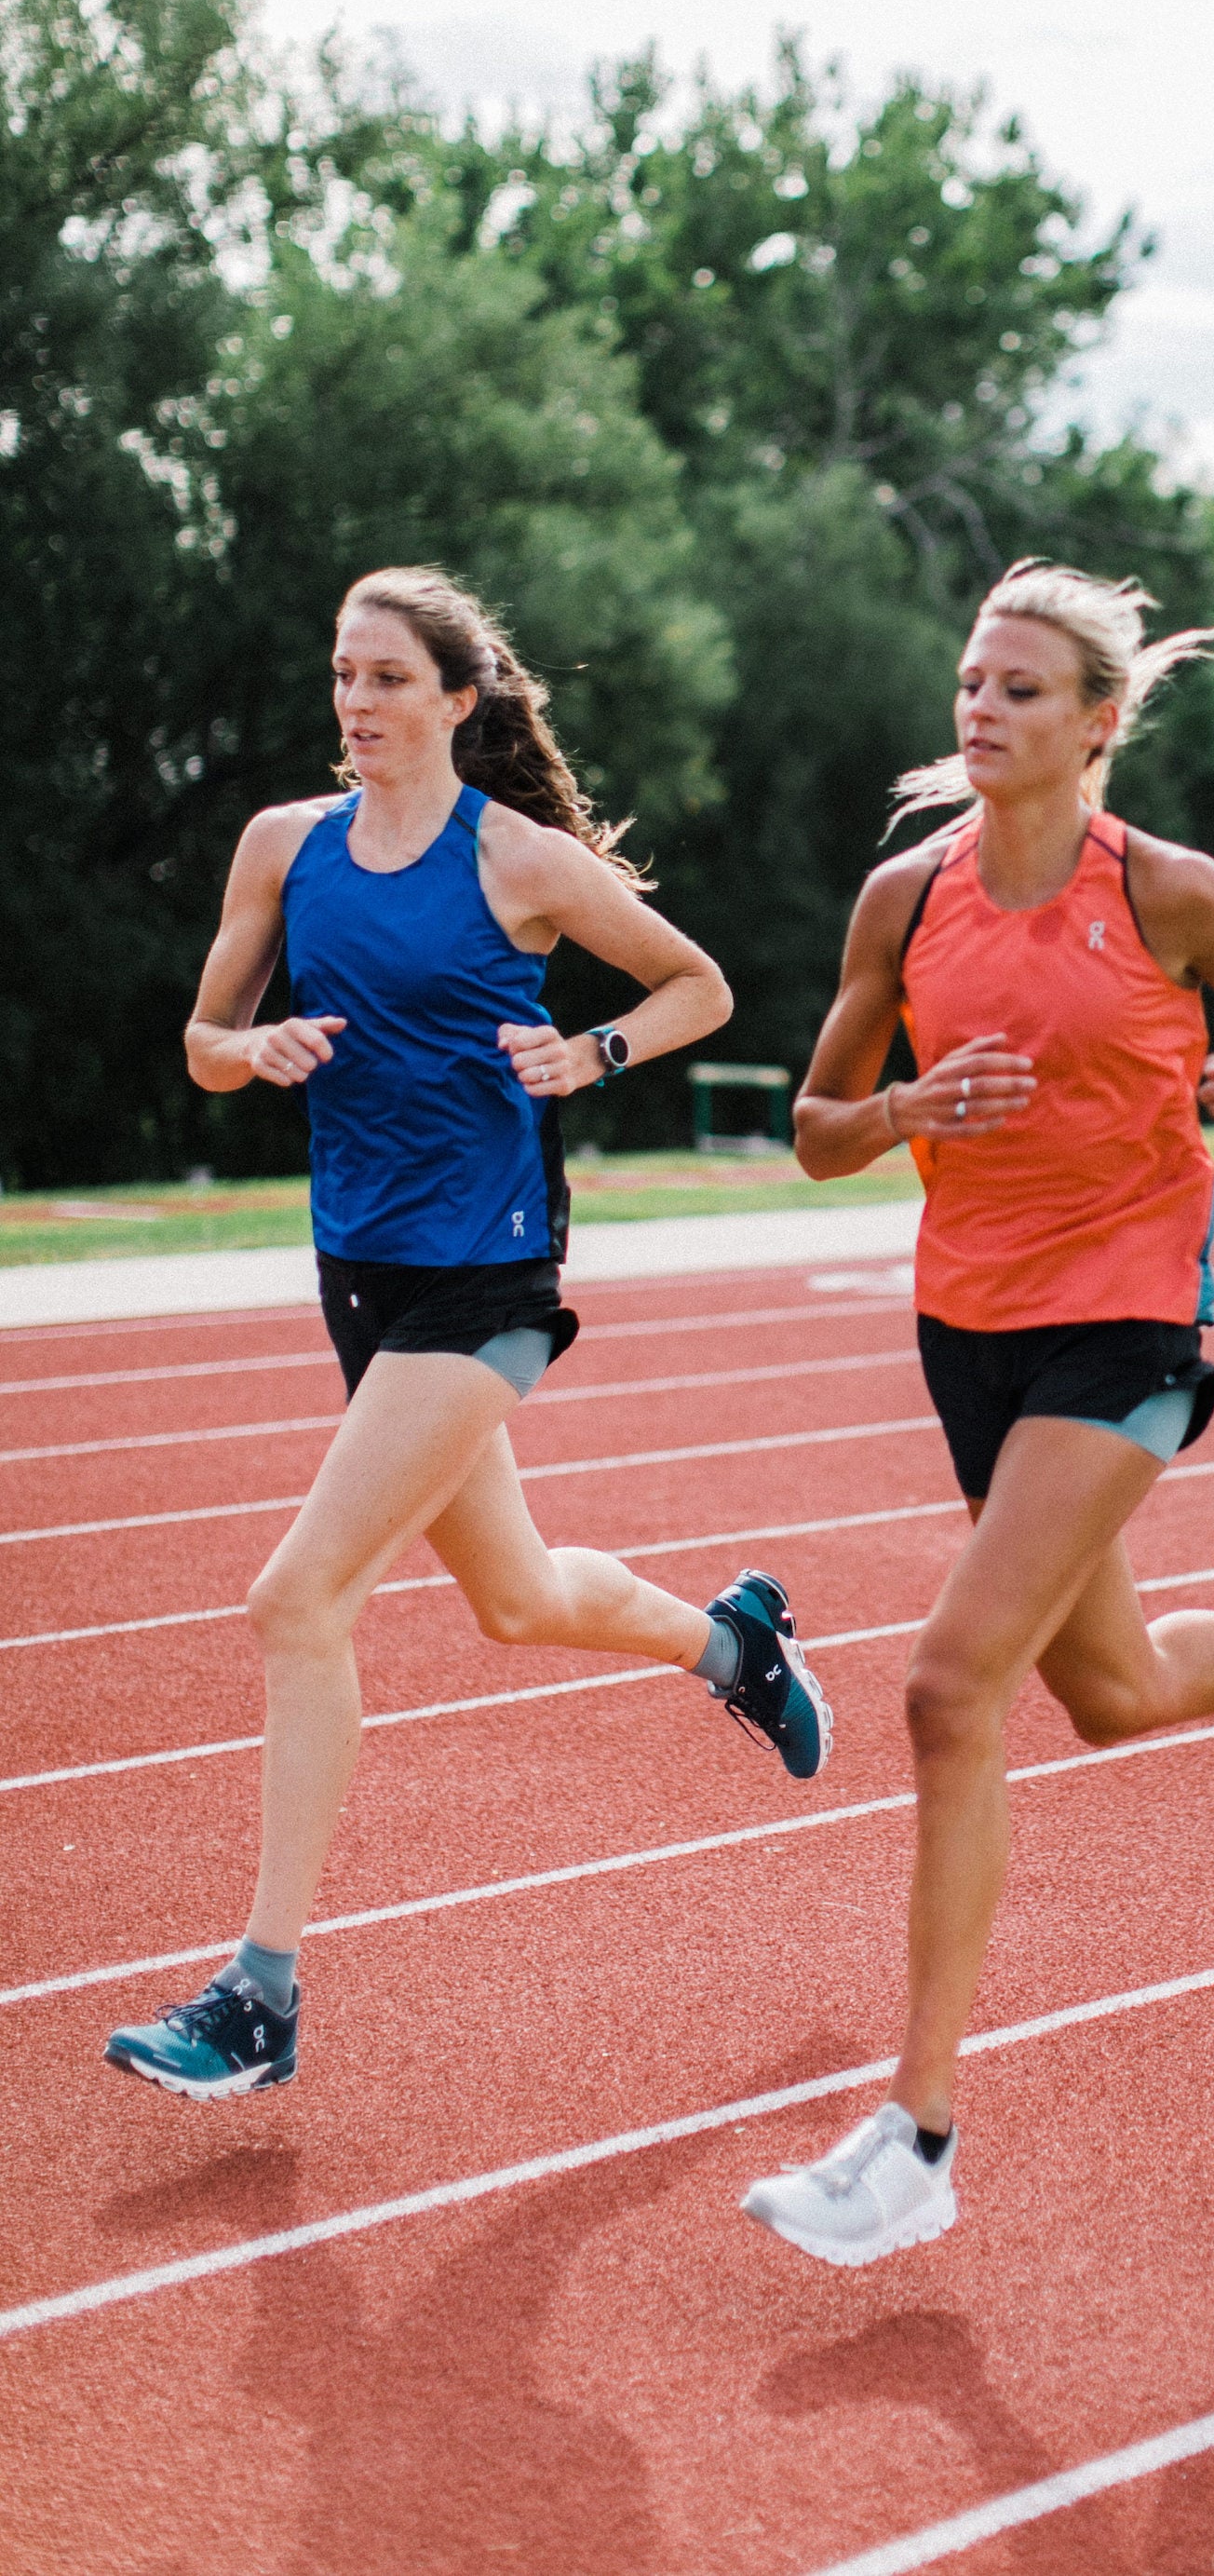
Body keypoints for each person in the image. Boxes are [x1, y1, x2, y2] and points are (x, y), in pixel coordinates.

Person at [739, 561, 1214, 2266]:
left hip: (1128, 1311)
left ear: (1100, 721)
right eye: (973, 683)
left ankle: (916, 2138)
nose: (983, 709)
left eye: (1023, 689)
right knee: (1112, 1696)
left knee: (945, 1686)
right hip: (969, 1324)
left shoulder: (1169, 892)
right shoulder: (905, 900)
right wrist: (908, 1105)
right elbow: (817, 1130)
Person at [104, 568, 829, 2100]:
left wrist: (593, 1051)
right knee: (517, 1596)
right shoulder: (282, 845)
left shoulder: (519, 859)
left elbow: (699, 986)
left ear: (456, 697)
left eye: (386, 677)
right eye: (342, 674)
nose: (356, 702)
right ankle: (736, 1645)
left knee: (295, 1601)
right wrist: (255, 1047)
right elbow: (203, 1044)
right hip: (359, 1270)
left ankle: (259, 1996)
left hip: (489, 1273)